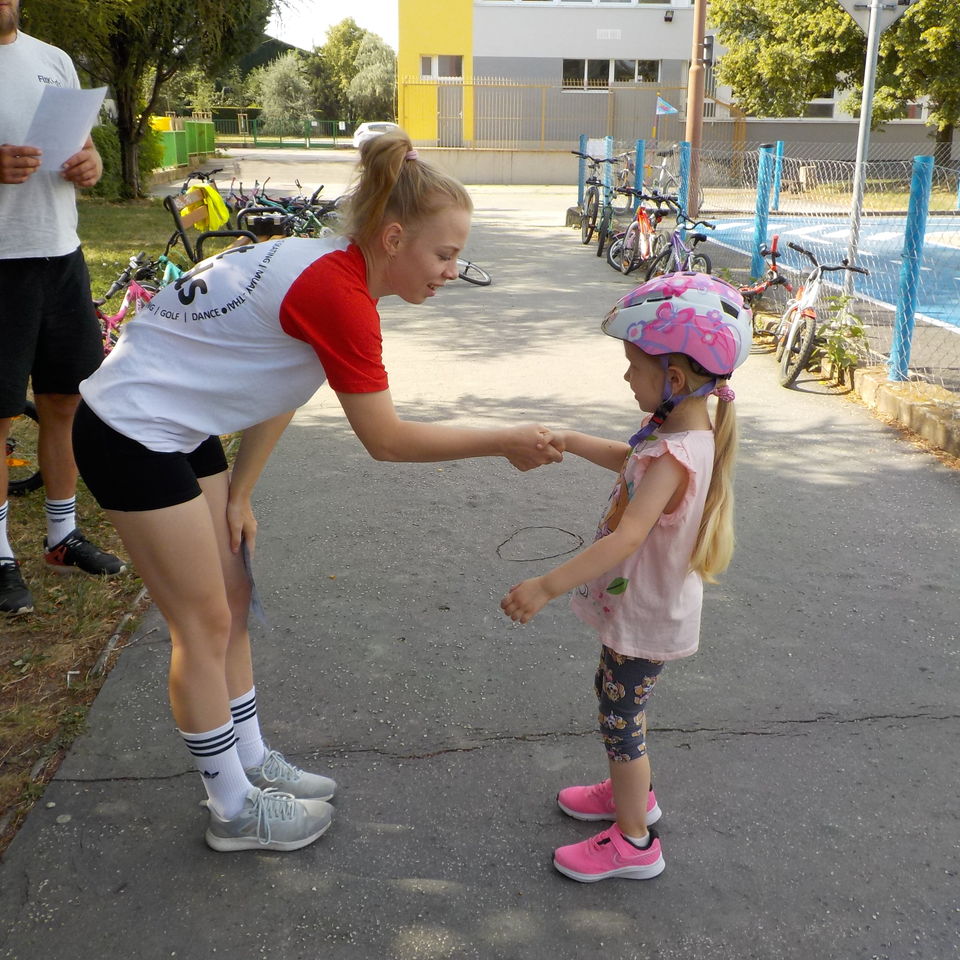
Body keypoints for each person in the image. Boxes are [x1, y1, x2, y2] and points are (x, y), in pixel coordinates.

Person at [72, 130, 562, 853]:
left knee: (234, 596)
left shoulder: (331, 267)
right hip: (130, 430)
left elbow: (281, 382)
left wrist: (241, 492)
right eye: (445, 254)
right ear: (393, 237)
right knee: (202, 623)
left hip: (181, 423)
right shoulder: (339, 293)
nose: (454, 270)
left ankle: (249, 756)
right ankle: (231, 809)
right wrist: (505, 440)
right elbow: (386, 439)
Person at [500, 271, 751, 882]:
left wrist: (544, 585)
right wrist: (572, 438)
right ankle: (626, 795)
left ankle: (636, 841)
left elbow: (628, 536)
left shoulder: (673, 450)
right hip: (646, 608)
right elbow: (628, 459)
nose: (625, 376)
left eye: (633, 366)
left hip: (646, 615)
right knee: (618, 706)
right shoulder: (683, 431)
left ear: (674, 379)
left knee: (621, 722)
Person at [0, 0, 125, 616]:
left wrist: (92, 162)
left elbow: (84, 145)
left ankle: (61, 535)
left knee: (64, 401)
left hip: (61, 255)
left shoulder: (53, 60)